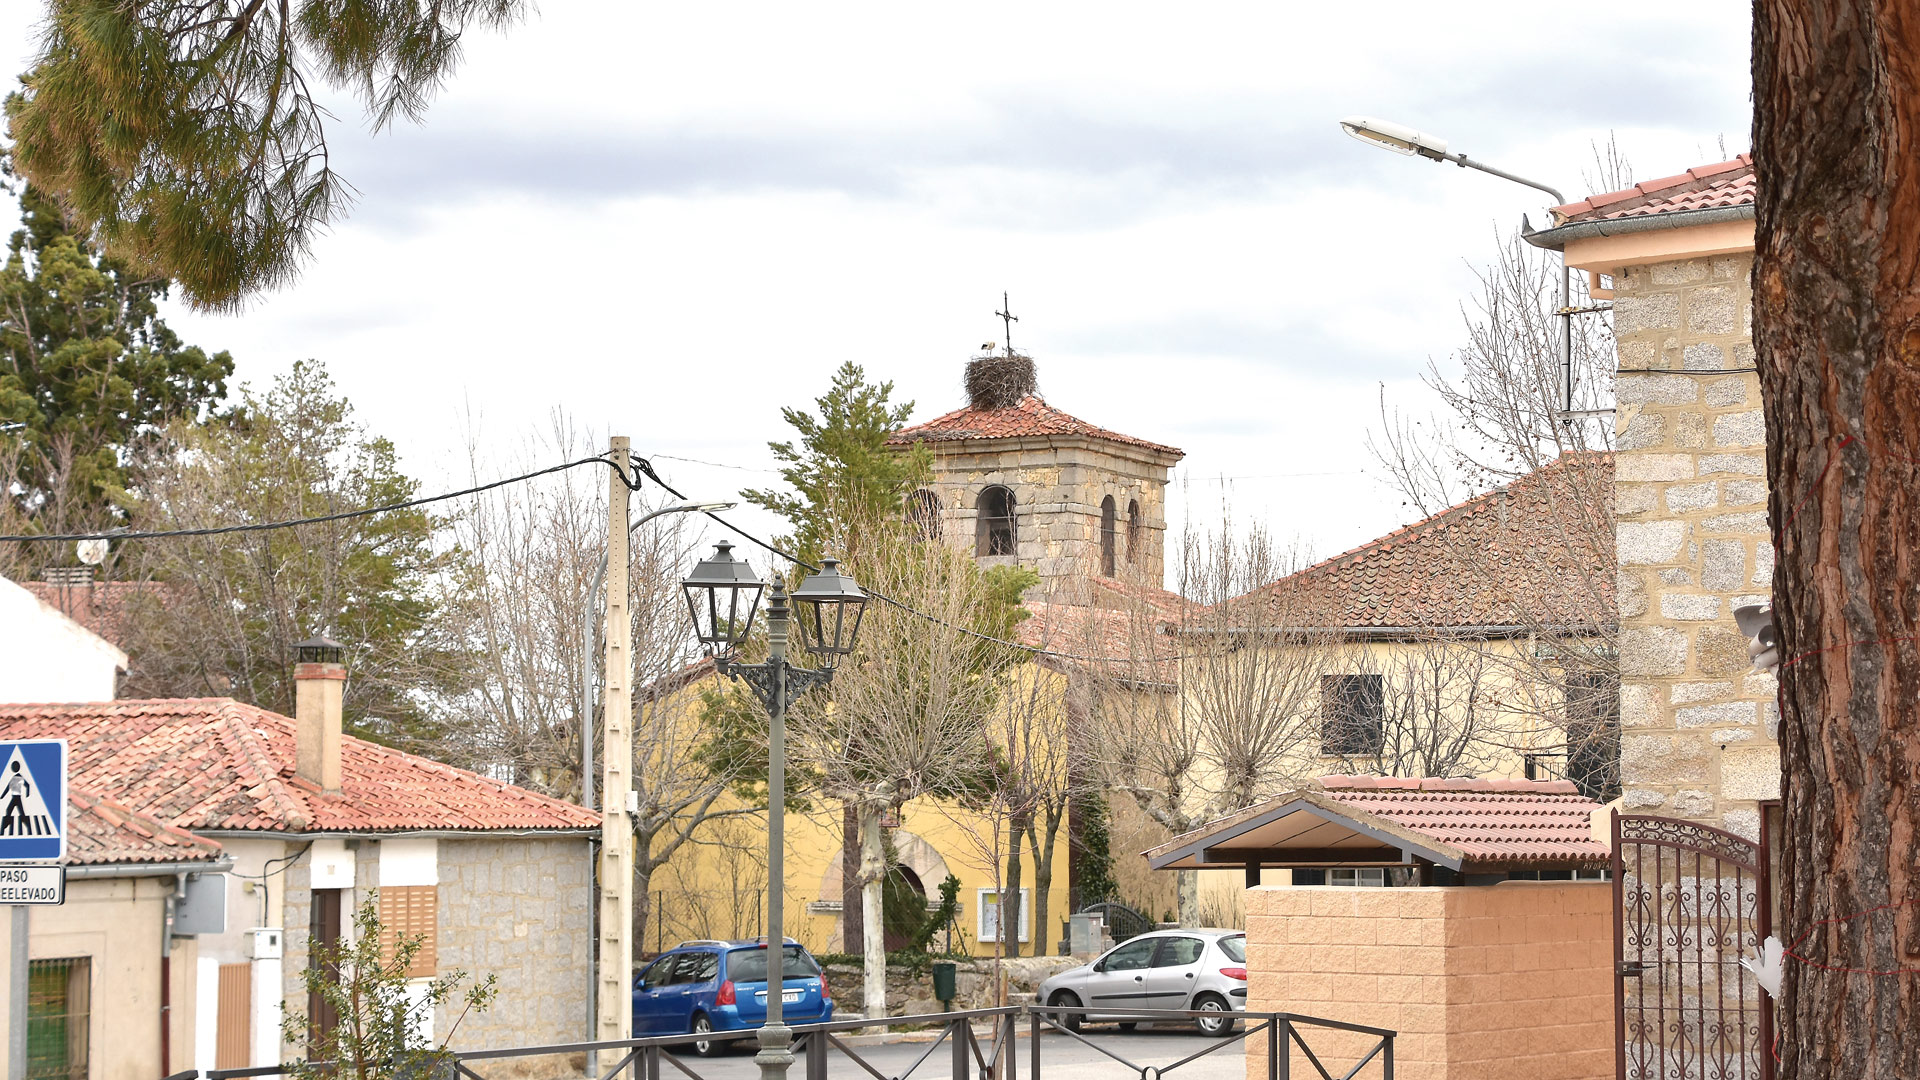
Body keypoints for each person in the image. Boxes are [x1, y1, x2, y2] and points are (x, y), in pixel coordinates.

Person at [0, 761, 29, 837]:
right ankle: (25, 824)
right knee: (12, 810)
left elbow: (27, 785)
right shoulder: (14, 778)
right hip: (15, 797)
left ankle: (27, 825)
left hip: (17, 797)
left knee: (13, 810)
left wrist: (27, 794)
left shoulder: (19, 777)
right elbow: (8, 788)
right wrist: (2, 796)